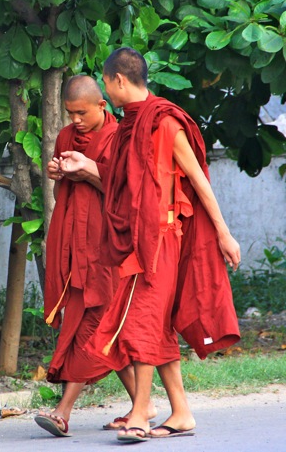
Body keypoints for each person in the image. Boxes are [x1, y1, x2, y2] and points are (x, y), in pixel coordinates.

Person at [71, 48, 240, 443]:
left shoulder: (163, 122)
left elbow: (198, 180)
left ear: (118, 81)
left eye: (107, 83)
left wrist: (223, 231)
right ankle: (181, 412)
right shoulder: (130, 124)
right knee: (154, 326)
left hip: (162, 239)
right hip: (136, 240)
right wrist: (83, 167)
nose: (107, 91)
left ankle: (140, 416)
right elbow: (122, 182)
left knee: (142, 322)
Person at [35, 75, 156, 438]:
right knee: (105, 330)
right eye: (70, 113)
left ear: (102, 106)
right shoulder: (65, 137)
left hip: (108, 247)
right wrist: (58, 172)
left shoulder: (120, 138)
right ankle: (143, 403)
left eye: (82, 113)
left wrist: (87, 171)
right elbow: (61, 193)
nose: (75, 121)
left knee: (96, 325)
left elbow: (124, 194)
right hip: (75, 246)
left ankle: (62, 411)